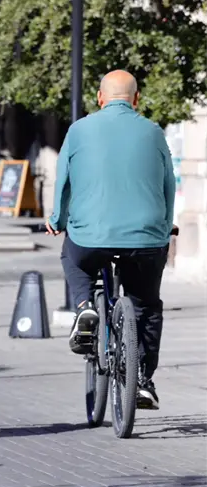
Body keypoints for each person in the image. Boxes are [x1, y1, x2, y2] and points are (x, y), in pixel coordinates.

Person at [46, 69, 174, 410]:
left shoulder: (79, 129)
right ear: (136, 99)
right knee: (147, 306)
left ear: (100, 98)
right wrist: (165, 226)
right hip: (146, 238)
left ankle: (85, 307)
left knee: (72, 257)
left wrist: (57, 220)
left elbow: (63, 182)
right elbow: (168, 184)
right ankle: (142, 380)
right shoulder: (154, 131)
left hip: (90, 237)